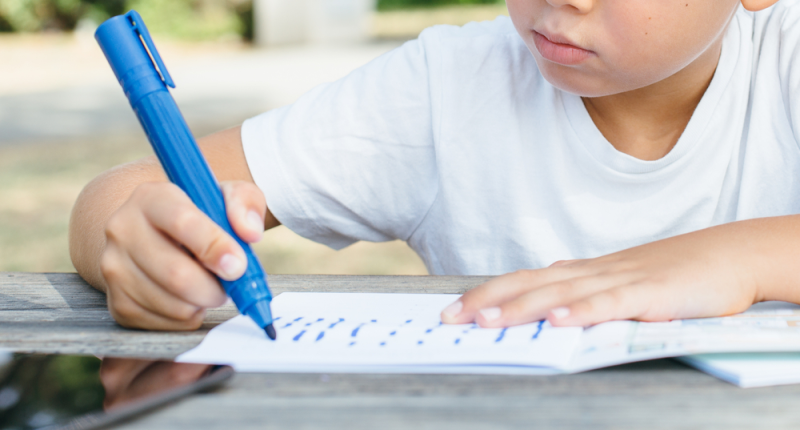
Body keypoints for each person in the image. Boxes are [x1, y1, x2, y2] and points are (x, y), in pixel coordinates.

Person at [70, 0, 800, 332]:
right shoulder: (446, 88)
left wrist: (741, 258)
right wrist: (137, 245)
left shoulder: (789, 56)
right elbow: (123, 194)